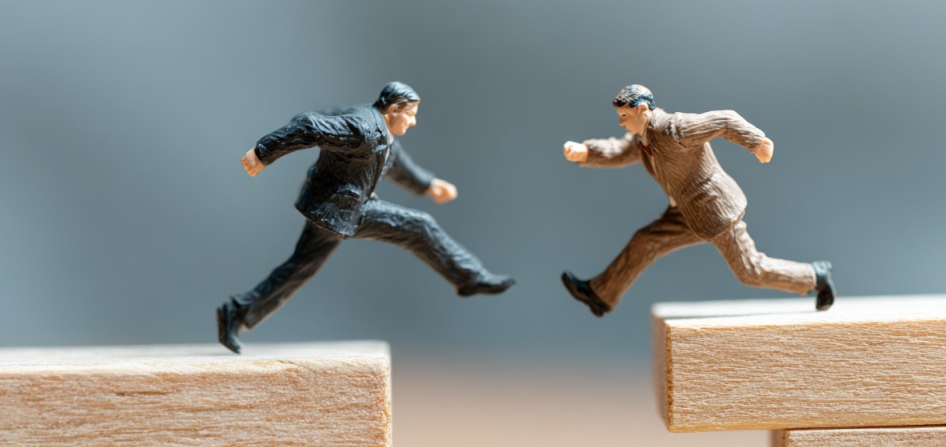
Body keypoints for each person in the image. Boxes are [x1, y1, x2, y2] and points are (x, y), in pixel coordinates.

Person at [217, 82, 514, 353]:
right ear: (393, 109)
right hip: (342, 210)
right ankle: (469, 278)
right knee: (419, 227)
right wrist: (263, 152)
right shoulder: (362, 128)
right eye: (410, 115)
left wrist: (428, 184)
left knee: (300, 269)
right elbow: (309, 125)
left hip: (328, 210)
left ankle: (237, 311)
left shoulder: (377, 126)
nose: (413, 121)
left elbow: (394, 160)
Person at [560, 84, 834, 316]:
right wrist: (585, 152)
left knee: (750, 270)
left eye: (624, 115)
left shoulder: (674, 129)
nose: (621, 121)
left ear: (642, 110)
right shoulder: (643, 137)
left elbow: (724, 120)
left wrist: (757, 143)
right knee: (646, 240)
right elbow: (620, 149)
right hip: (685, 211)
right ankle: (600, 294)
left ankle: (814, 276)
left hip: (714, 209)